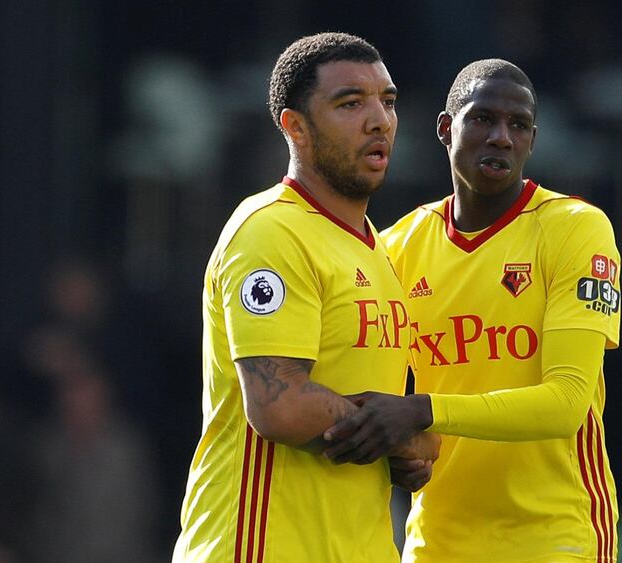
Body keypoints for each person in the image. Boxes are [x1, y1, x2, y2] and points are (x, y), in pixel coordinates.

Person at [324, 59, 622, 562]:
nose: (502, 137)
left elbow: (567, 403)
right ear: (446, 128)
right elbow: (377, 390)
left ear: (532, 140)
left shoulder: (576, 228)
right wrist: (400, 450)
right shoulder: (395, 247)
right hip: (436, 542)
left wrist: (421, 411)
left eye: (518, 125)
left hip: (556, 538)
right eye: (483, 118)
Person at [172, 32, 439, 563]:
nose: (379, 120)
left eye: (387, 102)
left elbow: (380, 414)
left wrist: (412, 448)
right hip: (260, 548)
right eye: (350, 103)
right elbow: (279, 405)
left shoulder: (378, 252)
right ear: (295, 126)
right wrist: (394, 431)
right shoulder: (272, 231)